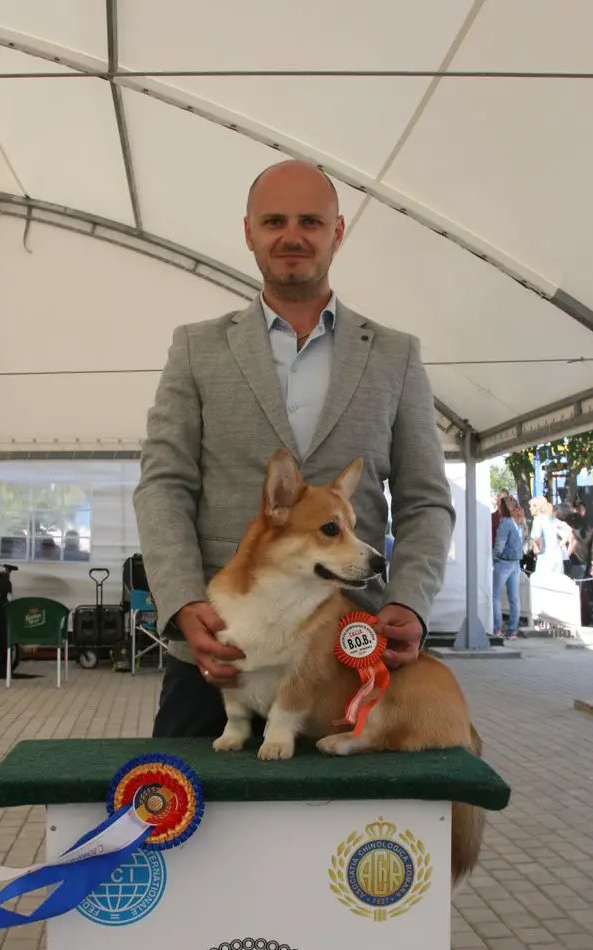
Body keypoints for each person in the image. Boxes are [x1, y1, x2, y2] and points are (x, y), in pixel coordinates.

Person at [133, 159, 456, 738]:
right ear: (249, 232)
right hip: (219, 655)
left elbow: (426, 499)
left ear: (337, 232)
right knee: (182, 799)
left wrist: (409, 602)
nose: (291, 236)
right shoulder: (196, 349)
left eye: (310, 221)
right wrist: (181, 603)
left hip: (351, 658)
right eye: (273, 221)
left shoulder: (395, 355)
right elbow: (163, 486)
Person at [492, 496, 525, 638]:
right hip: (516, 563)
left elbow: (500, 544)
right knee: (514, 598)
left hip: (503, 562)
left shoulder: (505, 522)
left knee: (495, 596)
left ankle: (497, 628)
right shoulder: (519, 521)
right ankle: (512, 630)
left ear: (503, 508)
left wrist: (493, 557)